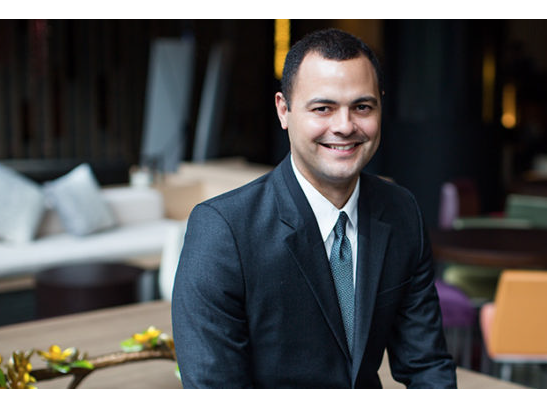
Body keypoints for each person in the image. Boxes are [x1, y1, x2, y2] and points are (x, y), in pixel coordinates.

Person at [172, 28, 456, 388]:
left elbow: (427, 366)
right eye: (323, 108)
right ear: (284, 110)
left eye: (362, 107)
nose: (345, 126)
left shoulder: (401, 212)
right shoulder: (224, 231)